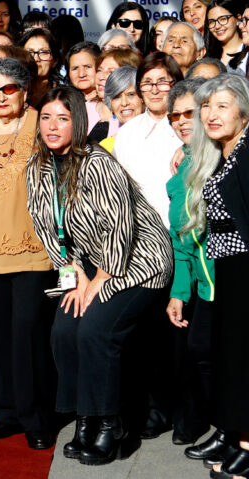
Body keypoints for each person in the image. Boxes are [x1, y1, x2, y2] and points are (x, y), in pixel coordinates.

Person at [26, 87, 173, 466]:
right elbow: (46, 225)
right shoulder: (36, 166)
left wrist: (97, 281)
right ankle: (84, 420)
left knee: (95, 331)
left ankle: (111, 424)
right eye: (46, 117)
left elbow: (120, 227)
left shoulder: (97, 161)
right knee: (63, 330)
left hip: (138, 260)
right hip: (86, 263)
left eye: (62, 117)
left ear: (77, 121)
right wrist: (72, 272)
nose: (52, 125)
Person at [0, 58, 57, 450]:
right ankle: (7, 412)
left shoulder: (43, 122)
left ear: (24, 90)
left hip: (35, 248)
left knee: (29, 335)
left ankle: (36, 415)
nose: (1, 97)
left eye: (10, 89)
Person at [182, 74, 249, 477]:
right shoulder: (220, 153)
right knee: (233, 355)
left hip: (246, 263)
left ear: (243, 111)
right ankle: (238, 434)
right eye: (206, 106)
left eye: (222, 105)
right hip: (227, 268)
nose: (211, 114)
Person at [161, 77, 215, 450]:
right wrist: (179, 293)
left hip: (228, 279)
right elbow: (182, 242)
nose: (181, 120)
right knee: (201, 350)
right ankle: (229, 430)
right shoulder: (180, 171)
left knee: (213, 352)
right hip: (202, 283)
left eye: (189, 113)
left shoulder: (223, 158)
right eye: (174, 115)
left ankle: (232, 431)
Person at [113, 53, 184, 231]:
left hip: (178, 232)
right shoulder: (127, 132)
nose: (154, 90)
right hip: (138, 234)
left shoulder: (186, 129)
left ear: (175, 84)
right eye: (147, 83)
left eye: (162, 82)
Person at [89, 49, 142, 141]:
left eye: (111, 72)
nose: (101, 77)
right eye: (99, 70)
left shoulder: (132, 115)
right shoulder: (83, 108)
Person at [98, 66, 145, 154]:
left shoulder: (162, 135)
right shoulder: (105, 148)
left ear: (143, 97)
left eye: (131, 94)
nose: (124, 103)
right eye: (117, 97)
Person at [205, 0, 248, 73]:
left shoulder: (247, 54)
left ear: (238, 19)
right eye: (212, 22)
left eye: (223, 19)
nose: (217, 26)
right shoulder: (206, 57)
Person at [20, 28, 61, 107]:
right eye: (29, 52)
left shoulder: (63, 94)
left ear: (55, 61)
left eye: (43, 52)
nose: (36, 59)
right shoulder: (12, 91)